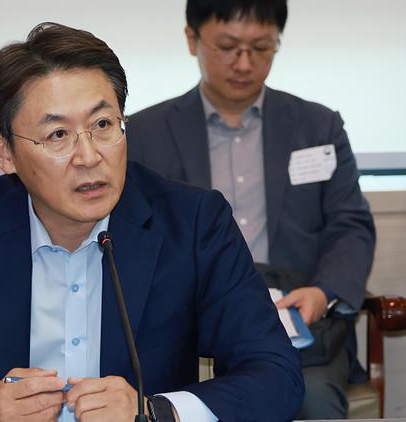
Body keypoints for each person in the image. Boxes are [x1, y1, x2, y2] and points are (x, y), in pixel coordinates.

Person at [0, 22, 303, 422]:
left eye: (103, 125)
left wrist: (155, 412)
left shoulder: (193, 222)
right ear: (4, 152)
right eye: (58, 134)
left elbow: (276, 375)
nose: (89, 157)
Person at [126, 1, 376, 419]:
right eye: (227, 47)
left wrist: (324, 292)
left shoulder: (318, 126)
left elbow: (350, 224)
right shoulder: (144, 133)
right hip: (184, 322)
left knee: (312, 399)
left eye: (261, 48)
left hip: (295, 322)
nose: (244, 64)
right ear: (192, 39)